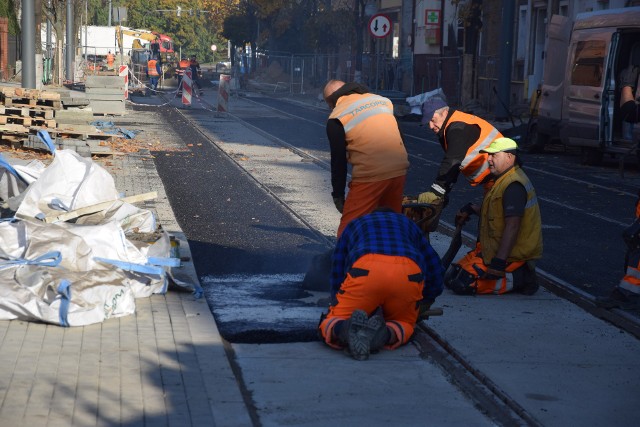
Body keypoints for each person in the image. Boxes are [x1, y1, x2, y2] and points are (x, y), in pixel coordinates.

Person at [318, 208, 444, 361]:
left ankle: (342, 329)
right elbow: (435, 266)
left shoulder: (355, 223)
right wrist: (426, 299)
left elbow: (337, 266)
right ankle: (385, 334)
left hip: (366, 269)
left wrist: (336, 300)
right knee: (404, 324)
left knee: (331, 321)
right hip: (407, 273)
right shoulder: (409, 225)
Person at [444, 137, 543, 295]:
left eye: (494, 155)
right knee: (451, 277)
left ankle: (521, 277)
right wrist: (471, 209)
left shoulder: (513, 185)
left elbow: (513, 225)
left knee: (464, 284)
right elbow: (497, 212)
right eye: (488, 155)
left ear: (509, 157)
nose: (488, 159)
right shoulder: (503, 180)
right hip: (492, 252)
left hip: (511, 256)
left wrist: (499, 262)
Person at [323, 79, 410, 237]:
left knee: (348, 230)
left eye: (328, 103)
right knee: (391, 225)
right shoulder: (381, 101)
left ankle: (345, 259)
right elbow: (400, 137)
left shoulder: (337, 117)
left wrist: (338, 195)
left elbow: (338, 162)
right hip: (399, 169)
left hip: (370, 174)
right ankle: (391, 258)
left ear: (330, 100)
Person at [417, 96, 503, 231]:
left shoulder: (457, 128)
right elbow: (454, 166)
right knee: (491, 219)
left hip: (500, 178)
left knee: (495, 225)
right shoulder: (449, 126)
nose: (430, 126)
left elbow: (452, 161)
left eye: (433, 120)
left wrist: (437, 192)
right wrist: (444, 193)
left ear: (444, 113)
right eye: (428, 122)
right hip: (494, 178)